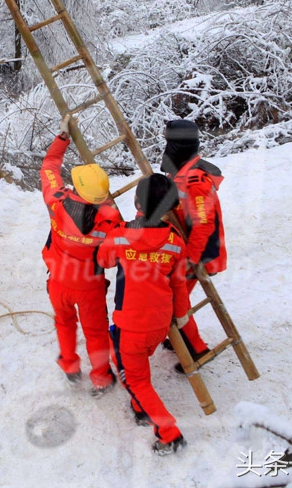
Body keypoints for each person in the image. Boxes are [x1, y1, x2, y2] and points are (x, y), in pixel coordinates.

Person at [97, 173, 190, 455]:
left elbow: (103, 259)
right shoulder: (175, 241)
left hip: (130, 327)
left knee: (133, 375)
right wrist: (182, 315)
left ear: (136, 201)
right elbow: (178, 283)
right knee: (137, 369)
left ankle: (169, 433)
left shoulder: (122, 236)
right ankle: (139, 406)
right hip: (161, 324)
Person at [40, 114, 122, 395]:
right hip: (89, 287)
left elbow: (49, 166)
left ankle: (70, 365)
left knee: (63, 322)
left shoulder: (57, 201)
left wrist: (62, 138)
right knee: (96, 333)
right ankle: (101, 376)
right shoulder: (111, 220)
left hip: (58, 282)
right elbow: (114, 256)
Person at [160, 119, 227, 373]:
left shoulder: (196, 180)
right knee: (176, 297)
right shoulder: (182, 173)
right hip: (184, 249)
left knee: (176, 300)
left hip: (196, 253)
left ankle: (197, 349)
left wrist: (188, 261)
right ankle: (178, 336)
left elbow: (203, 225)